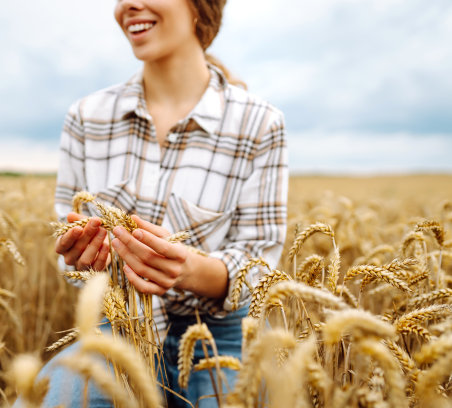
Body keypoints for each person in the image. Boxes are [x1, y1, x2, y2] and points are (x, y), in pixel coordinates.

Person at [48, 0, 288, 406]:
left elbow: (259, 262)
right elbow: (64, 242)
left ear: (198, 8)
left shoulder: (259, 123)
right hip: (115, 331)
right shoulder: (87, 117)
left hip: (221, 342)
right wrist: (81, 257)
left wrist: (191, 270)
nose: (129, 5)